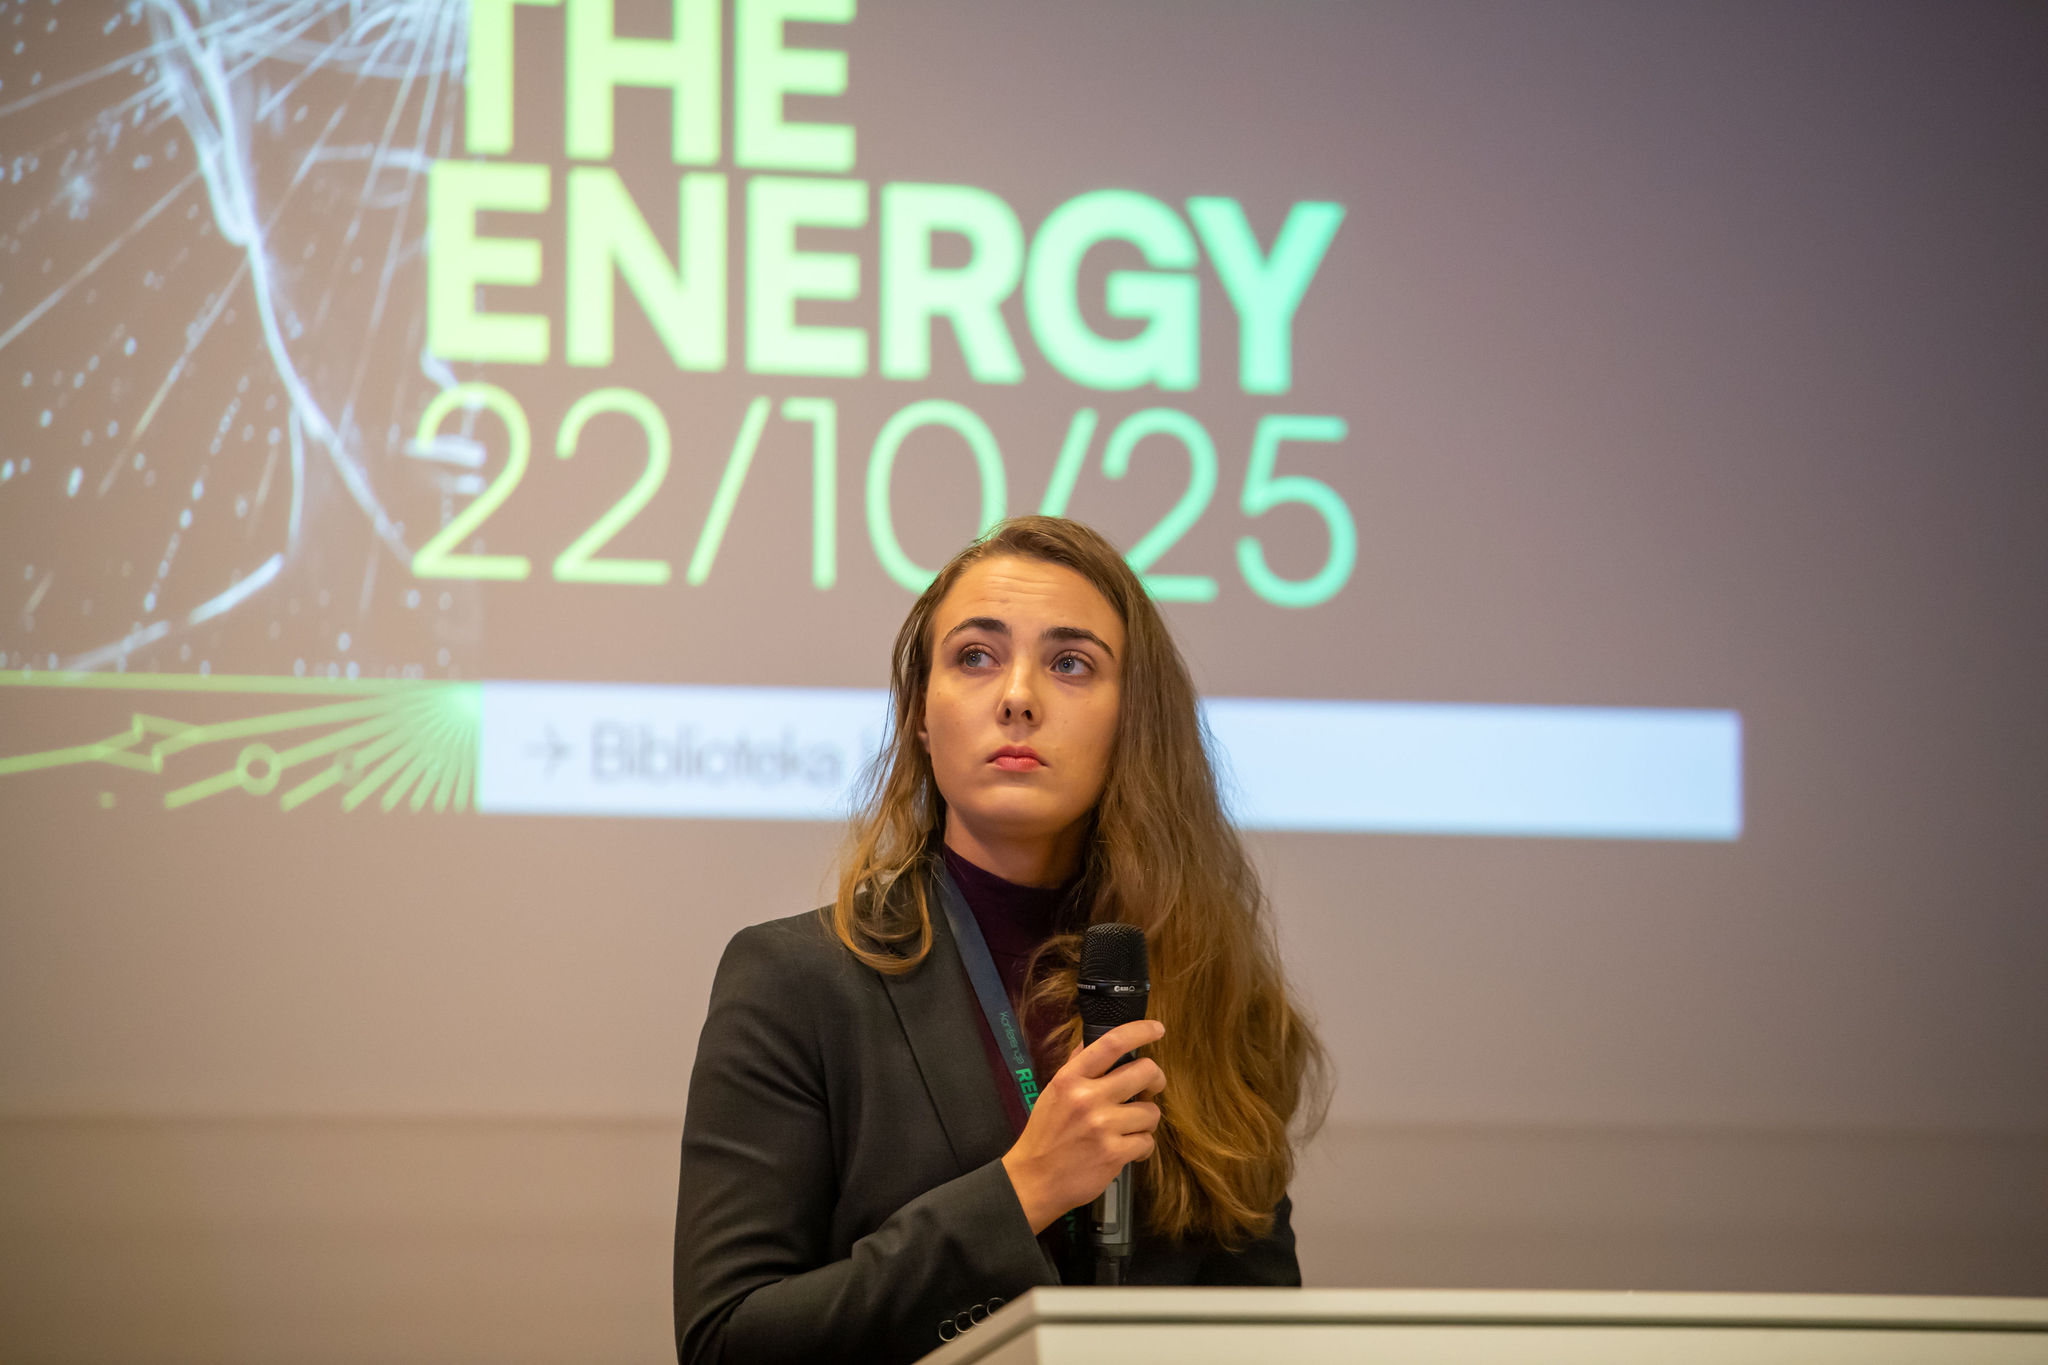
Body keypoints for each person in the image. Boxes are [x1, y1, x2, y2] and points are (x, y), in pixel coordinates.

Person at [673, 516, 1328, 1364]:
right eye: (976, 656)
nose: (1018, 696)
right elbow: (728, 1342)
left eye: (1070, 663)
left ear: (1133, 719)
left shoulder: (1215, 998)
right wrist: (1022, 1190)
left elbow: (1263, 1338)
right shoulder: (795, 982)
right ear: (920, 714)